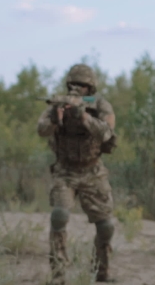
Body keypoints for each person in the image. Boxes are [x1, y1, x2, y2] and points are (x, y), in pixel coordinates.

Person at [37, 63, 117, 284]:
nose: (76, 89)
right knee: (59, 215)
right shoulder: (58, 103)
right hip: (65, 170)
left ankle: (101, 270)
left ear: (90, 88)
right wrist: (55, 117)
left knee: (106, 226)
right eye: (73, 84)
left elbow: (107, 133)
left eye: (82, 85)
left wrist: (84, 118)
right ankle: (59, 274)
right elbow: (41, 130)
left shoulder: (100, 105)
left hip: (93, 171)